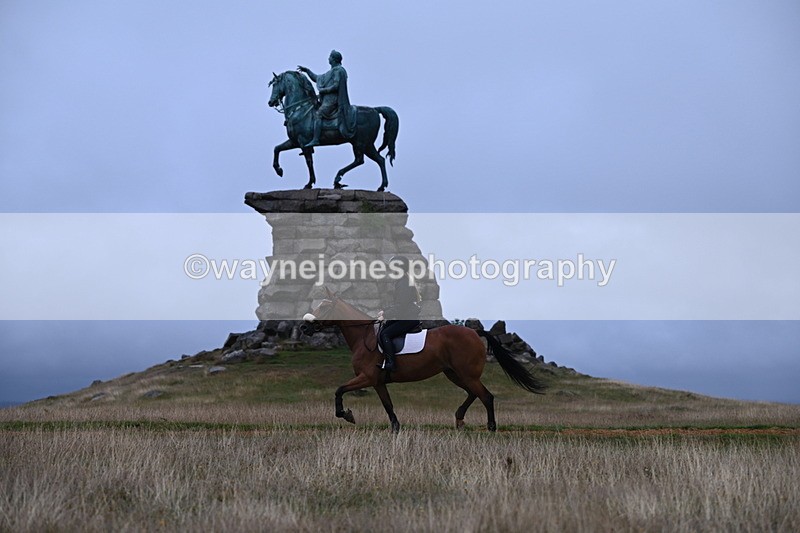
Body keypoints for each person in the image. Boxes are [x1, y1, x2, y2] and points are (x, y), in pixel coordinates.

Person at [297, 50, 357, 147]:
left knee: (318, 114)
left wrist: (324, 90)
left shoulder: (339, 70)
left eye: (330, 57)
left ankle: (316, 139)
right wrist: (307, 70)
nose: (328, 58)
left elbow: (336, 86)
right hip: (326, 100)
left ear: (334, 59)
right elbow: (317, 78)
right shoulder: (330, 72)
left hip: (333, 101)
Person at [377, 256, 421, 372]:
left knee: (385, 334)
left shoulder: (403, 283)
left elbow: (401, 306)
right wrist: (385, 311)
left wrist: (385, 315)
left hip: (408, 318)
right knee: (384, 328)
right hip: (405, 316)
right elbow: (399, 304)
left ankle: (391, 364)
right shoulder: (403, 281)